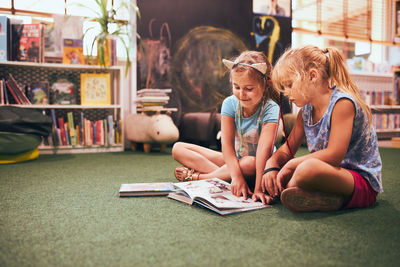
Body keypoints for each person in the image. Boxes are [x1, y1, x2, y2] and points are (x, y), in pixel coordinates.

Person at [262, 45, 383, 212]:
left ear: (313, 75)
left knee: (305, 169)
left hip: (360, 182)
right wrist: (271, 165)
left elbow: (334, 155)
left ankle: (297, 189)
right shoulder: (305, 112)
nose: (286, 93)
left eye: (289, 85)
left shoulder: (342, 104)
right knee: (280, 170)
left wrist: (290, 166)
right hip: (331, 175)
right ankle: (326, 199)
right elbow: (287, 150)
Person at [172, 51, 280, 203]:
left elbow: (264, 149)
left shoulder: (271, 108)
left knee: (249, 163)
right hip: (235, 160)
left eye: (249, 89)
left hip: (259, 165)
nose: (242, 94)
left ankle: (201, 178)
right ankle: (230, 178)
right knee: (178, 148)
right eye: (236, 87)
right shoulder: (229, 103)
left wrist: (258, 189)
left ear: (266, 85)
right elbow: (227, 145)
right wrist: (236, 176)